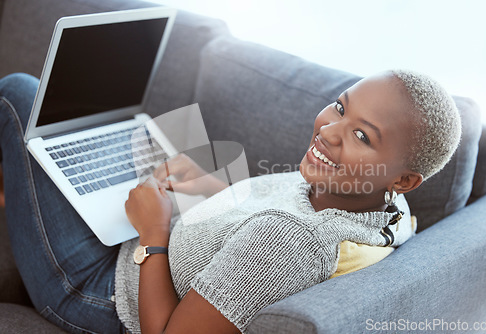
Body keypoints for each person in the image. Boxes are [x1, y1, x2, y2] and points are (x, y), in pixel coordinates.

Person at [0, 69, 461, 333]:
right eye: (340, 107)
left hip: (105, 294)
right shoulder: (383, 211)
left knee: (19, 94)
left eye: (362, 136)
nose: (329, 130)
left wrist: (153, 234)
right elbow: (259, 223)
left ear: (404, 178)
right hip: (148, 243)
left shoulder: (291, 240)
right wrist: (209, 186)